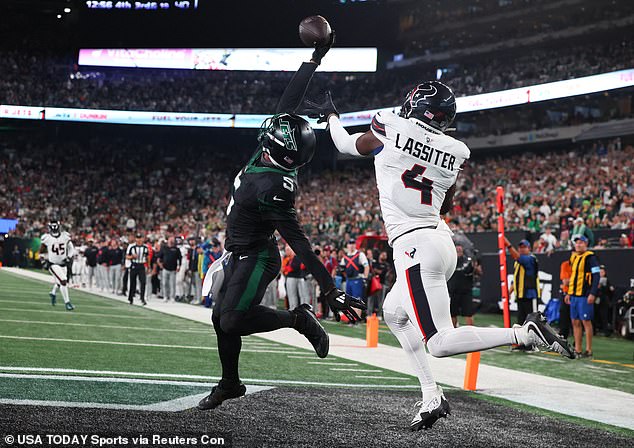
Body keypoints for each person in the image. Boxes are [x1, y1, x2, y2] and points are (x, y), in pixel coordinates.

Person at [308, 80, 573, 430]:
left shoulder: (389, 125)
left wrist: (330, 115)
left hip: (415, 247)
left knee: (438, 342)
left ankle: (524, 333)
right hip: (441, 242)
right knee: (394, 313)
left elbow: (344, 144)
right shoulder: (456, 150)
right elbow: (445, 202)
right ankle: (432, 395)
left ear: (415, 105)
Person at [197, 36, 365, 412]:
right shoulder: (274, 155)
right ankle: (229, 383)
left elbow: (299, 243)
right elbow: (288, 103)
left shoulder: (273, 186)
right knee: (220, 318)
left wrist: (327, 287)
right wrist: (315, 58)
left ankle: (298, 319)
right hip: (236, 252)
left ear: (274, 147)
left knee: (233, 319)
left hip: (257, 255)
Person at [565, 235, 600, 357]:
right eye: (577, 243)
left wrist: (592, 293)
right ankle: (578, 349)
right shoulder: (574, 257)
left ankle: (589, 350)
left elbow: (596, 276)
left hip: (585, 295)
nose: (578, 245)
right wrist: (569, 292)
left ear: (586, 244)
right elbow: (573, 277)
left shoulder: (590, 257)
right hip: (574, 295)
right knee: (575, 322)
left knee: (586, 321)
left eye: (581, 243)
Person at [39, 221, 75, 310]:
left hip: (63, 264)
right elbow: (41, 252)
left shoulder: (65, 236)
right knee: (63, 281)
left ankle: (53, 293)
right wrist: (43, 261)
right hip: (53, 264)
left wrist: (69, 257)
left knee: (59, 282)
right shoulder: (46, 238)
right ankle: (67, 303)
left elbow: (71, 248)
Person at [506, 238, 540, 329]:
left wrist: (508, 244)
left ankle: (532, 342)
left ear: (529, 248)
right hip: (521, 296)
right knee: (521, 322)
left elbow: (517, 257)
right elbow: (516, 278)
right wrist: (509, 292)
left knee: (532, 322)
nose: (521, 249)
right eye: (520, 247)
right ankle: (522, 343)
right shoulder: (518, 262)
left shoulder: (531, 259)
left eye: (524, 247)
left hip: (530, 296)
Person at [448, 244, 475, 327]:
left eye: (460, 249)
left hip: (465, 292)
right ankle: (453, 332)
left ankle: (471, 334)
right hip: (453, 292)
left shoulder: (468, 261)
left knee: (468, 314)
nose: (458, 251)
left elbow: (471, 270)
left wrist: (474, 265)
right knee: (453, 314)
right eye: (457, 250)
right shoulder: (450, 261)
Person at [126, 232, 149, 305]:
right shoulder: (131, 247)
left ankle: (142, 298)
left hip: (141, 265)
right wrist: (132, 257)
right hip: (134, 265)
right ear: (135, 239)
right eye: (137, 238)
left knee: (143, 282)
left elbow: (147, 257)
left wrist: (148, 266)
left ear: (142, 239)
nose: (139, 240)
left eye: (140, 238)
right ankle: (130, 298)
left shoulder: (145, 247)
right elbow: (127, 256)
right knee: (132, 282)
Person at [158, 236, 182, 303]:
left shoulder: (176, 249)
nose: (171, 241)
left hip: (173, 268)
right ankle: (165, 296)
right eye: (170, 239)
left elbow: (180, 258)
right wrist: (160, 264)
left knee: (172, 284)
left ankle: (172, 297)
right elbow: (159, 257)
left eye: (172, 240)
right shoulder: (164, 248)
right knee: (165, 283)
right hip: (165, 268)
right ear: (168, 240)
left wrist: (179, 266)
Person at [595, 264, 614, 336]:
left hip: (604, 300)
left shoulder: (607, 281)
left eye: (602, 272)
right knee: (595, 315)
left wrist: (604, 287)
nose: (601, 273)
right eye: (600, 272)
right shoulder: (595, 280)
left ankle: (605, 331)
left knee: (604, 315)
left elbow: (610, 290)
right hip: (596, 300)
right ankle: (595, 330)